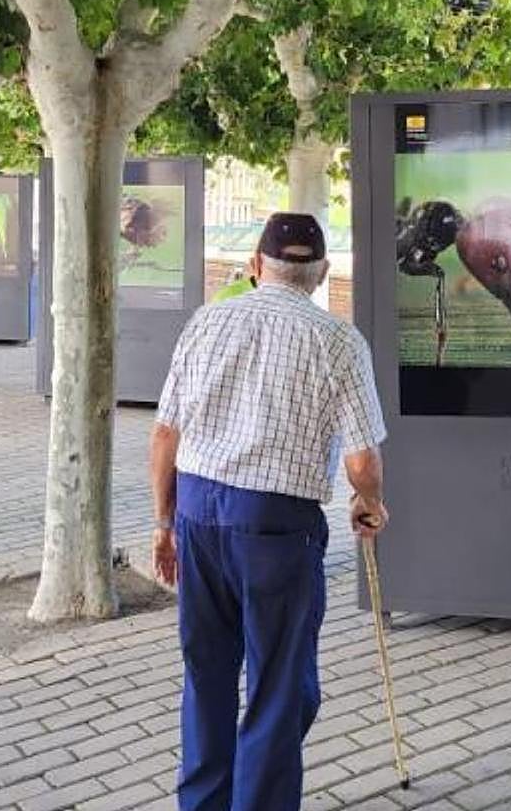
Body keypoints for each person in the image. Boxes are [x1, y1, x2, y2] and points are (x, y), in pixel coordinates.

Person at [148, 212, 389, 811]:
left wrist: (163, 522)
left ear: (256, 267)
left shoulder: (207, 321)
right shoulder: (338, 339)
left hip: (199, 514)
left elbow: (163, 436)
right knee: (279, 688)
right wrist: (370, 502)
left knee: (206, 675)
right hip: (279, 527)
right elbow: (362, 457)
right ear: (324, 273)